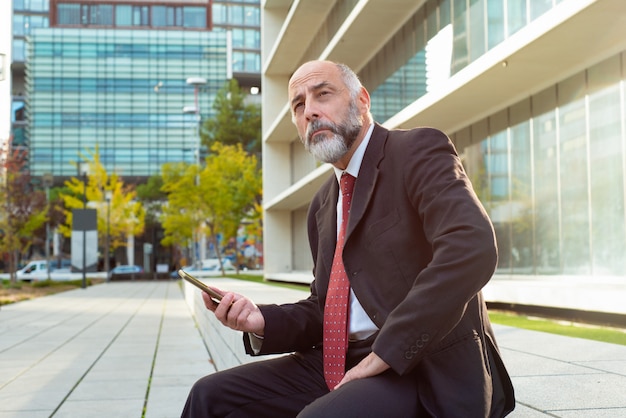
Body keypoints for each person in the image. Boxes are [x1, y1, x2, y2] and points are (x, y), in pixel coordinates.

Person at [181, 60, 515, 417]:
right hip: (338, 361)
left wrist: (386, 352)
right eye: (298, 105)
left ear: (362, 101)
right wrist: (259, 321)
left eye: (322, 94)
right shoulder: (323, 205)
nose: (309, 111)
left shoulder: (418, 150)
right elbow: (324, 308)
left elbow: (471, 246)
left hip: (418, 366)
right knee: (210, 396)